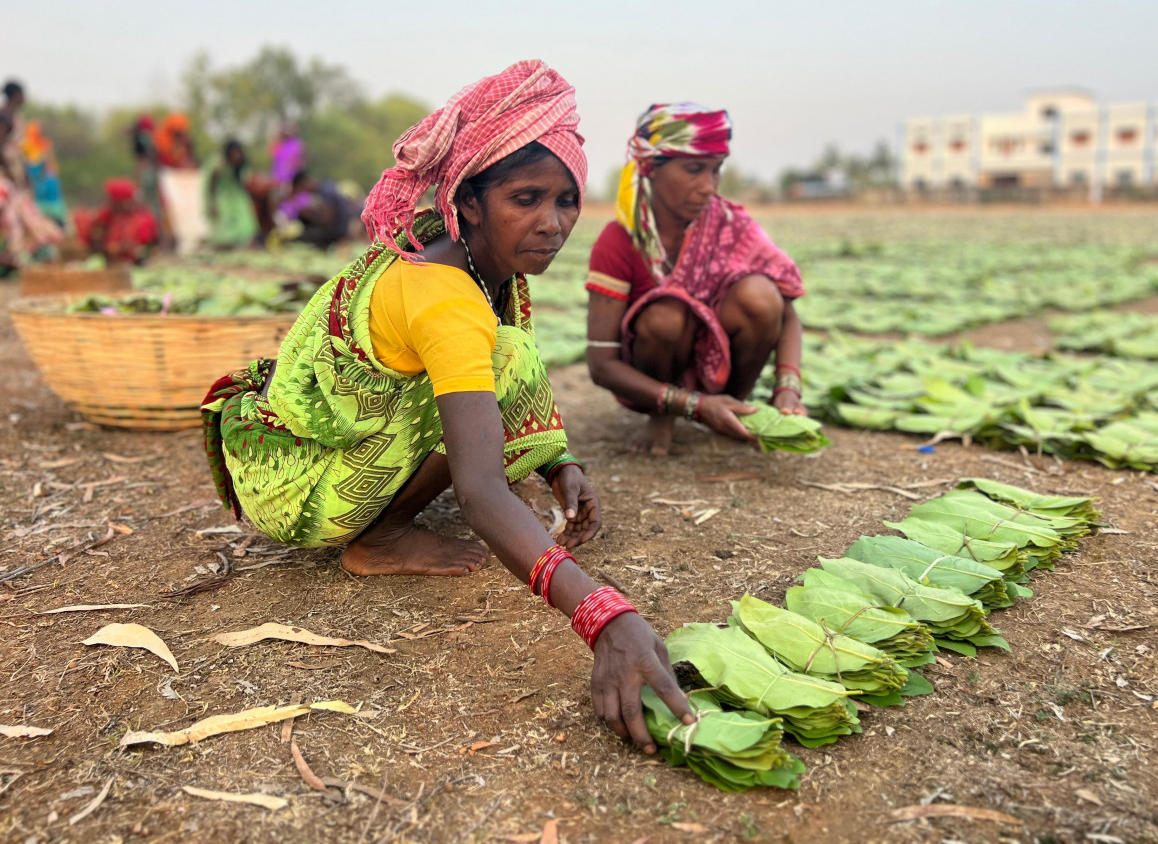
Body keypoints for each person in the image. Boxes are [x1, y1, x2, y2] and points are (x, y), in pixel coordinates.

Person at [201, 60, 693, 751]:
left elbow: (502, 376)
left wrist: (559, 466)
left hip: (324, 448)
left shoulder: (469, 254)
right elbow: (481, 489)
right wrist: (605, 616)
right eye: (525, 199)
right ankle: (379, 536)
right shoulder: (443, 289)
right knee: (503, 363)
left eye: (565, 201)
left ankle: (395, 509)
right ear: (468, 203)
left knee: (507, 357)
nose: (552, 224)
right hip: (293, 481)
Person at [585, 103, 806, 457]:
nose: (708, 187)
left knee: (762, 297)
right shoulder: (620, 240)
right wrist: (692, 405)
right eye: (693, 170)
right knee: (666, 315)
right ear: (651, 168)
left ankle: (732, 404)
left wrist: (788, 387)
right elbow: (601, 365)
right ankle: (664, 415)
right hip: (653, 371)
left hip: (722, 364)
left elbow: (788, 314)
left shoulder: (731, 226)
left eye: (715, 171)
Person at [0, 111, 63, 271]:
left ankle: (17, 255)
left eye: (4, 131)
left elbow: (21, 182)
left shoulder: (11, 154)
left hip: (13, 205)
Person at [74, 177, 159, 264]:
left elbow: (148, 245)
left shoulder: (142, 218)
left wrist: (125, 248)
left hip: (135, 260)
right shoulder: (106, 214)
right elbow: (96, 237)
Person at [201, 139, 259, 248]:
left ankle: (242, 243)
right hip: (221, 196)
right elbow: (210, 185)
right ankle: (223, 244)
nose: (237, 156)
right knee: (224, 223)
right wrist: (212, 203)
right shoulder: (218, 164)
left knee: (244, 219)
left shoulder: (241, 166)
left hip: (237, 196)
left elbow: (245, 182)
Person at [277, 170, 353, 248]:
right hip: (338, 229)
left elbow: (327, 220)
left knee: (296, 237)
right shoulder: (325, 188)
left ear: (303, 184)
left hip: (336, 232)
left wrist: (307, 214)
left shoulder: (325, 191)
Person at [21, 121, 68, 227]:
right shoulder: (25, 145)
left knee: (54, 220)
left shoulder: (46, 145)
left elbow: (50, 164)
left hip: (47, 185)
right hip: (36, 187)